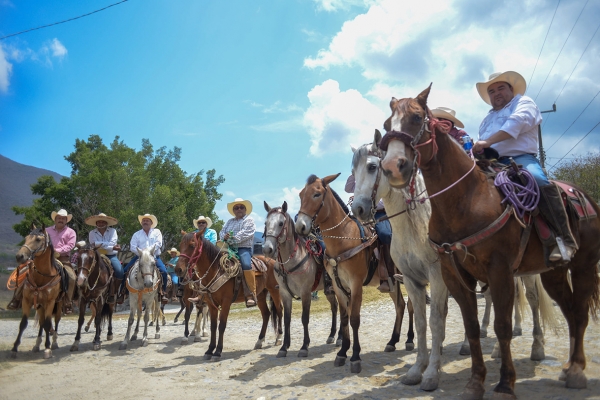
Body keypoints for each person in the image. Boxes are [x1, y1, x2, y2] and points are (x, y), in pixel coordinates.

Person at [473, 71, 577, 264]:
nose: (496, 93)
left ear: (511, 89)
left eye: (501, 88)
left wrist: (486, 142)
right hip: (491, 164)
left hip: (519, 160)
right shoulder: (487, 119)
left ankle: (564, 240)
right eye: (492, 91)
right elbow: (482, 144)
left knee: (537, 179)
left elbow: (516, 124)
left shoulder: (524, 103)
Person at [8, 209, 77, 311]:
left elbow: (70, 246)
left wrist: (55, 250)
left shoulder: (71, 232)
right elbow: (37, 243)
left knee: (72, 277)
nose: (61, 220)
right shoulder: (46, 231)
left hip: (62, 259)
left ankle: (67, 302)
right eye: (59, 218)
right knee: (23, 271)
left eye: (63, 218)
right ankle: (17, 298)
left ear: (66, 220)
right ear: (55, 219)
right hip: (43, 259)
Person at [345, 175, 395, 293]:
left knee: (385, 234)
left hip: (379, 214)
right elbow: (348, 188)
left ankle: (389, 276)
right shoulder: (361, 179)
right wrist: (353, 174)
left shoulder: (381, 178)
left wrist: (370, 203)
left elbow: (384, 202)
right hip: (361, 215)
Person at [122, 214, 170, 303]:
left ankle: (162, 293)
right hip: (139, 257)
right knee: (125, 271)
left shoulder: (157, 232)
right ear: (141, 223)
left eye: (147, 220)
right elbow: (132, 247)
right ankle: (123, 292)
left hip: (154, 257)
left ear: (151, 223)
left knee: (163, 271)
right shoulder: (136, 234)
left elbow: (159, 244)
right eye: (143, 221)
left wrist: (147, 251)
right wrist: (142, 253)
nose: (145, 222)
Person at [220, 198, 257, 307]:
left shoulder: (249, 220)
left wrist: (230, 238)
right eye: (236, 208)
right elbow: (222, 232)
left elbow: (246, 233)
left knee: (245, 264)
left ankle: (250, 294)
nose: (239, 209)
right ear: (234, 210)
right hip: (228, 248)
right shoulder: (229, 221)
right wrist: (224, 236)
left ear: (245, 209)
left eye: (241, 207)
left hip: (243, 248)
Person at [86, 213, 122, 304]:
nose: (101, 223)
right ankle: (85, 292)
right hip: (97, 255)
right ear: (96, 223)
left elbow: (112, 242)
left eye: (103, 222)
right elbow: (94, 245)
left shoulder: (113, 231)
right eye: (99, 222)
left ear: (106, 223)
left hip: (111, 255)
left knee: (119, 271)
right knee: (84, 269)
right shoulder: (92, 233)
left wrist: (101, 244)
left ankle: (113, 293)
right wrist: (111, 246)